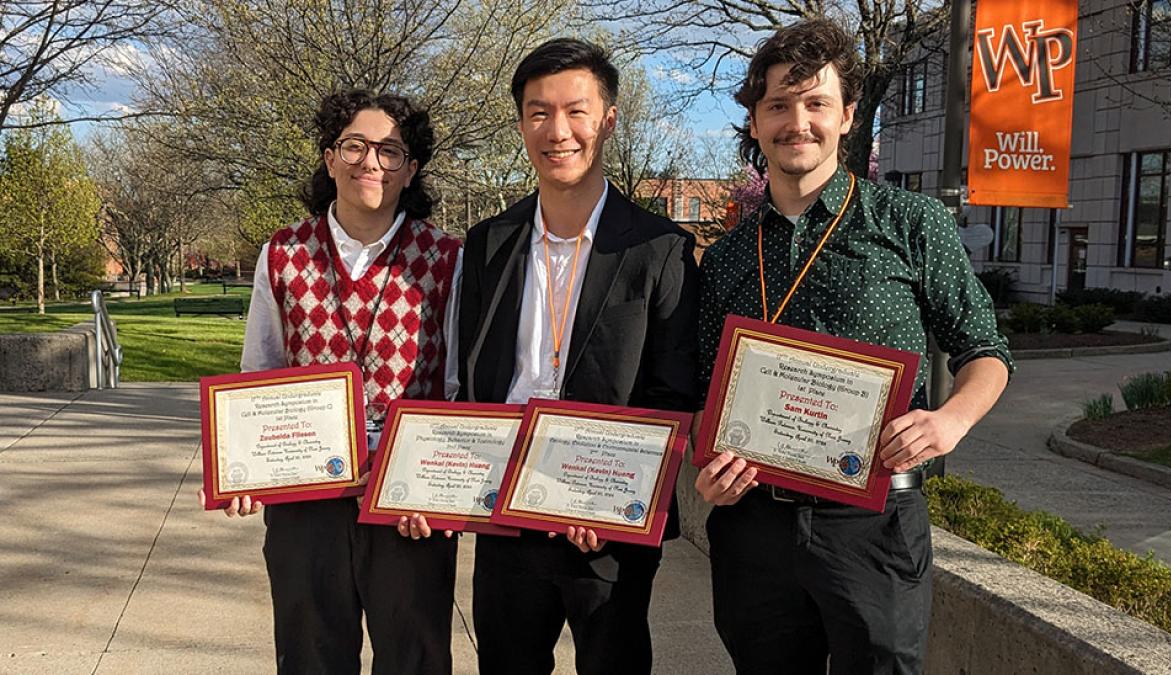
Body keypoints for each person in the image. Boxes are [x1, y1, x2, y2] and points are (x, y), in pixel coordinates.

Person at [693, 19, 1013, 675]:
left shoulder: (909, 222)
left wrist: (950, 420)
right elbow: (705, 392)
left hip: (875, 522)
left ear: (846, 115)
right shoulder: (724, 257)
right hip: (754, 526)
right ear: (754, 122)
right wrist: (707, 471)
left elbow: (985, 347)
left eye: (815, 103)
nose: (797, 121)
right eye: (778, 105)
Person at [455, 38, 699, 675]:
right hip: (505, 515)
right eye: (538, 112)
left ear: (608, 120)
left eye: (575, 111)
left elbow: (672, 395)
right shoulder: (487, 245)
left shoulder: (660, 248)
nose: (557, 131)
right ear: (520, 123)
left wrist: (613, 500)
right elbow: (472, 382)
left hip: (608, 521)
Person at [200, 89, 461, 675]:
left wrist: (440, 489)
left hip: (405, 499)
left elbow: (455, 382)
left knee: (414, 658)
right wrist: (242, 467)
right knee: (310, 655)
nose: (371, 162)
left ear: (411, 168)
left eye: (391, 151)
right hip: (305, 500)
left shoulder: (446, 256)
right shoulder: (282, 253)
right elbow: (258, 373)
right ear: (329, 157)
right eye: (355, 146)